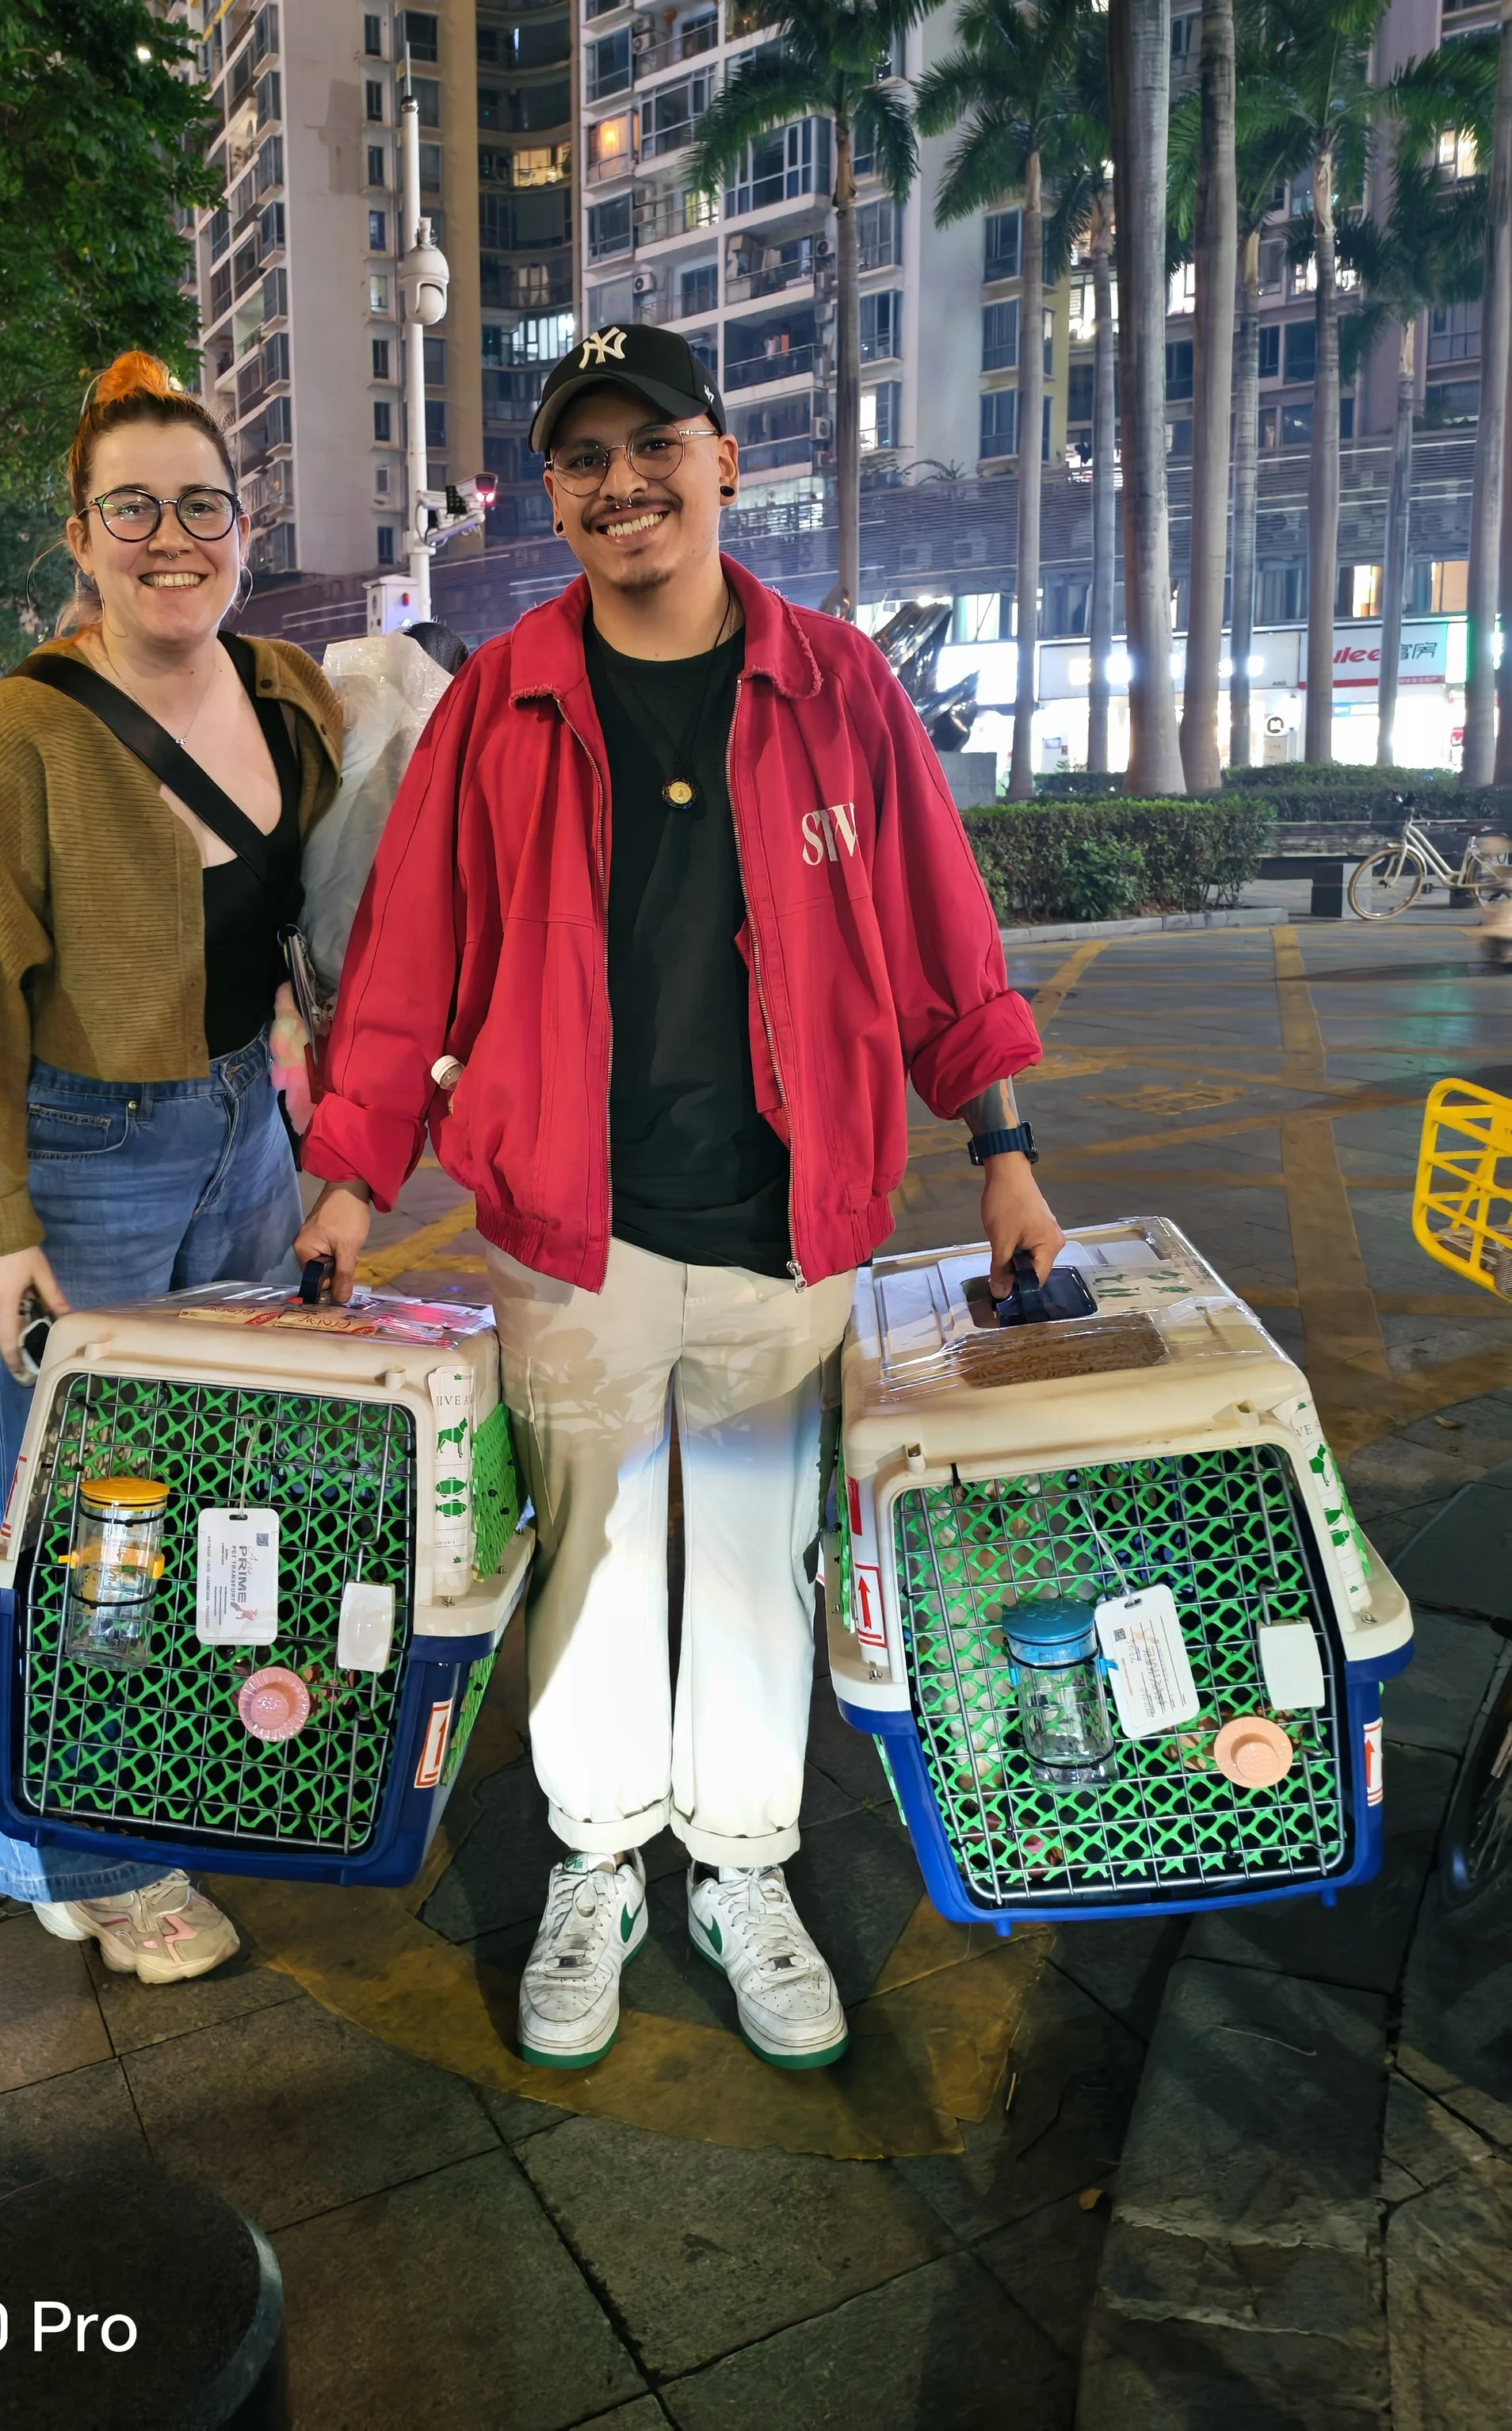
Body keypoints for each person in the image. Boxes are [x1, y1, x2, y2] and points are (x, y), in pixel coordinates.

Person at [295, 323, 1064, 2071]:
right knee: (590, 1555)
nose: (622, 484)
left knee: (746, 1562)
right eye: (583, 459)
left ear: (724, 461)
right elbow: (408, 962)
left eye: (654, 447)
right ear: (550, 493)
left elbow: (938, 931)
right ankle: (594, 1859)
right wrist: (349, 1174)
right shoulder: (502, 698)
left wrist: (1001, 1148)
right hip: (570, 1234)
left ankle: (737, 1867)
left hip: (786, 1227)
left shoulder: (834, 685)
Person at [0, 352, 342, 1986]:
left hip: (243, 1131)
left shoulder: (289, 690)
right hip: (78, 1147)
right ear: (78, 534)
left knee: (231, 1469)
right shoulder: (17, 732)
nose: (172, 538)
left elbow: (339, 890)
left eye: (201, 506)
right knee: (82, 1512)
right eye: (131, 509)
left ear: (242, 521)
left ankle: (175, 1770)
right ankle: (87, 1851)